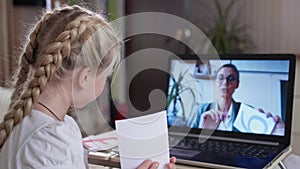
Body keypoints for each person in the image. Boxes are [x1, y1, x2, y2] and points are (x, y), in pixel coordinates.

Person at [0, 5, 176, 169]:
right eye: (106, 77)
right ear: (84, 77)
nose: (105, 85)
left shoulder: (31, 121)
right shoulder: (49, 141)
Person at [187, 63, 284, 135]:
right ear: (215, 82)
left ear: (237, 84)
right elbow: (191, 141)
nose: (225, 83)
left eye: (231, 78)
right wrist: (202, 130)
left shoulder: (247, 112)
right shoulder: (202, 109)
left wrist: (272, 133)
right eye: (221, 78)